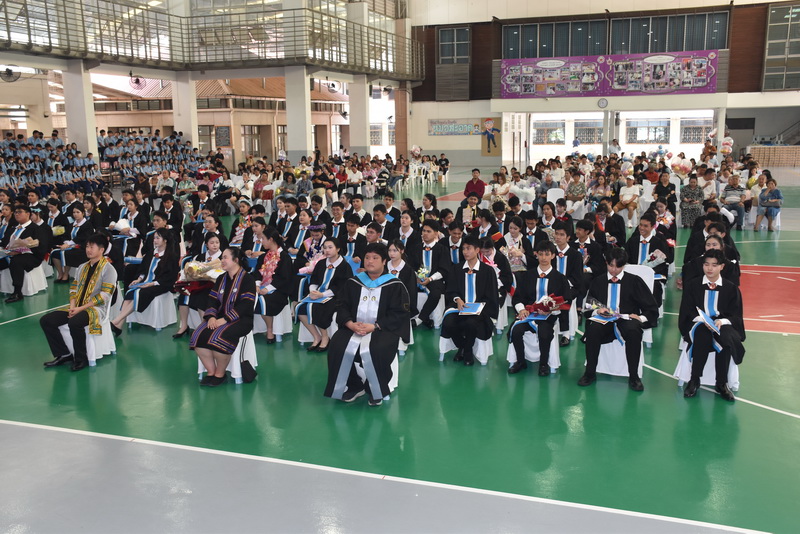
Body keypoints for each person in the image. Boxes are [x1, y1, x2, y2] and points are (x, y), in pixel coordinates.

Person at [324, 243, 410, 406]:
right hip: (354, 327)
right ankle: (354, 386)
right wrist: (349, 323)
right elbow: (342, 305)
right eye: (367, 257)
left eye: (375, 258)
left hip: (382, 329)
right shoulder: (353, 282)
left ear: (384, 261)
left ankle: (375, 389)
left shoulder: (394, 285)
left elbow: (399, 313)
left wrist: (375, 326)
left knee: (377, 348)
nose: (370, 261)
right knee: (337, 345)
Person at [578, 248, 659, 391]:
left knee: (634, 332)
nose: (614, 270)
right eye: (611, 266)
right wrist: (597, 310)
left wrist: (640, 317)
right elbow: (590, 304)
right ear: (606, 263)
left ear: (624, 265)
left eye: (618, 266)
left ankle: (634, 376)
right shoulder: (598, 281)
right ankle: (590, 372)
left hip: (627, 319)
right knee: (593, 329)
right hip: (603, 319)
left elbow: (651, 307)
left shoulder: (634, 281)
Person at [40, 233, 118, 372]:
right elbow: (74, 288)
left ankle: (81, 359)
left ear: (101, 250)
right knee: (46, 320)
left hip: (96, 309)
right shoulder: (82, 267)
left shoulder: (109, 269)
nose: (88, 249)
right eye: (87, 246)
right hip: (77, 307)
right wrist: (72, 306)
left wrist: (81, 308)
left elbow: (105, 296)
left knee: (74, 322)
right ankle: (64, 354)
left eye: (92, 247)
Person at [678, 249, 745, 402]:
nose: (709, 268)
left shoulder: (730, 288)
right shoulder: (693, 285)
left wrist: (722, 321)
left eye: (714, 265)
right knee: (702, 335)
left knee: (726, 338)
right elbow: (687, 310)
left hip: (721, 323)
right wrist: (703, 320)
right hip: (698, 323)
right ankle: (695, 379)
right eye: (706, 264)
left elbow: (736, 315)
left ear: (722, 266)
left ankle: (721, 383)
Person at [190, 247, 257, 387]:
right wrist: (211, 317)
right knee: (198, 335)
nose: (222, 260)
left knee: (218, 337)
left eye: (225, 257)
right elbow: (212, 300)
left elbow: (245, 305)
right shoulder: (221, 278)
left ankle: (220, 374)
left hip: (241, 320)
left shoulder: (248, 279)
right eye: (222, 257)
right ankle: (211, 372)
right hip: (218, 318)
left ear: (236, 260)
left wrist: (225, 319)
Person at [508, 240, 574, 376]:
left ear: (553, 256)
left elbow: (566, 300)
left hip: (548, 317)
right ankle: (520, 361)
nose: (544, 258)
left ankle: (543, 364)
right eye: (541, 254)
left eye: (547, 254)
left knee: (545, 333)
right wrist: (522, 310)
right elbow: (517, 297)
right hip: (528, 314)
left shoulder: (560, 278)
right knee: (516, 330)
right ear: (536, 254)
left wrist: (552, 310)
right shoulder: (527, 276)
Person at [440, 234, 499, 366]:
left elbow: (491, 295)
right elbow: (451, 289)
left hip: (480, 310)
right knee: (448, 322)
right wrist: (458, 300)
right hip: (459, 307)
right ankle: (462, 346)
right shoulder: (456, 269)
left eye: (468, 248)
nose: (465, 252)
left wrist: (478, 307)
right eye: (463, 249)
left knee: (471, 323)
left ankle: (466, 352)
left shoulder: (488, 271)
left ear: (477, 250)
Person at [110, 228, 179, 336]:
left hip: (161, 284)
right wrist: (138, 279)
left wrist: (152, 283)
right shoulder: (151, 253)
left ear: (165, 240)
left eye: (158, 238)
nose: (155, 240)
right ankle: (119, 325)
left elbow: (170, 277)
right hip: (146, 281)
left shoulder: (172, 256)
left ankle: (116, 321)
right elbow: (143, 270)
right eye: (154, 238)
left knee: (141, 293)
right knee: (130, 292)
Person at [296, 237, 353, 352]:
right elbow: (314, 279)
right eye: (325, 248)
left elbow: (341, 287)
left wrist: (322, 295)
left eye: (330, 247)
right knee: (300, 308)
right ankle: (317, 336)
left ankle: (325, 337)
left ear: (338, 249)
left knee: (318, 308)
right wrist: (313, 291)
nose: (327, 250)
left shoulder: (344, 266)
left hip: (335, 297)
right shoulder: (321, 263)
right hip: (317, 294)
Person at [173, 232, 223, 339]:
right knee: (184, 293)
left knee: (201, 296)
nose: (215, 245)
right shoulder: (200, 257)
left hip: (215, 285)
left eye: (217, 242)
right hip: (199, 283)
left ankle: (204, 327)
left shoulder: (222, 257)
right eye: (212, 243)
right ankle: (184, 325)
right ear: (206, 244)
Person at [0, 205, 47, 303]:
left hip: (31, 255)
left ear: (28, 214)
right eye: (16, 212)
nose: (17, 214)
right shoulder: (13, 228)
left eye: (20, 212)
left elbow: (41, 246)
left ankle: (17, 292)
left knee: (16, 262)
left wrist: (20, 251)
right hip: (10, 253)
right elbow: (4, 242)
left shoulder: (36, 228)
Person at [413, 220, 449, 329]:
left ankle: (420, 319)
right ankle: (423, 319)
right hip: (418, 279)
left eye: (429, 231)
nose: (425, 234)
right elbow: (412, 266)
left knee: (436, 293)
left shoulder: (442, 249)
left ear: (436, 233)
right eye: (424, 231)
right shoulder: (416, 248)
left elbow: (444, 270)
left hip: (434, 279)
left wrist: (430, 279)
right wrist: (416, 277)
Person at [50, 204, 94, 283]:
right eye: (74, 212)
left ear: (82, 213)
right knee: (54, 253)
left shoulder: (87, 225)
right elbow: (65, 236)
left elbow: (84, 237)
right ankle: (61, 273)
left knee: (67, 253)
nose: (75, 214)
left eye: (78, 212)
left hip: (82, 248)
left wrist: (70, 244)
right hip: (69, 246)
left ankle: (66, 274)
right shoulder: (71, 225)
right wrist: (66, 242)